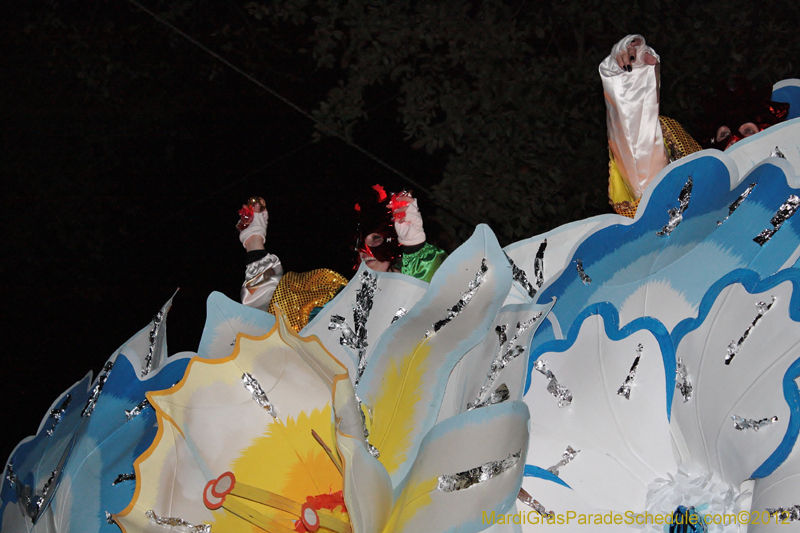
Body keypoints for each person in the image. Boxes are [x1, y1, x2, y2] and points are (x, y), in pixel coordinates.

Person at [600, 35, 790, 218]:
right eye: (724, 134)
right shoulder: (696, 200)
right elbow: (642, 156)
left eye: (748, 131)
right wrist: (632, 82)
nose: (734, 138)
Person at [238, 186, 446, 330]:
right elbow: (265, 311)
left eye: (376, 239)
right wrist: (254, 241)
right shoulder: (330, 293)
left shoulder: (411, 294)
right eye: (360, 245)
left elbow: (428, 298)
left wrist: (415, 244)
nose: (365, 250)